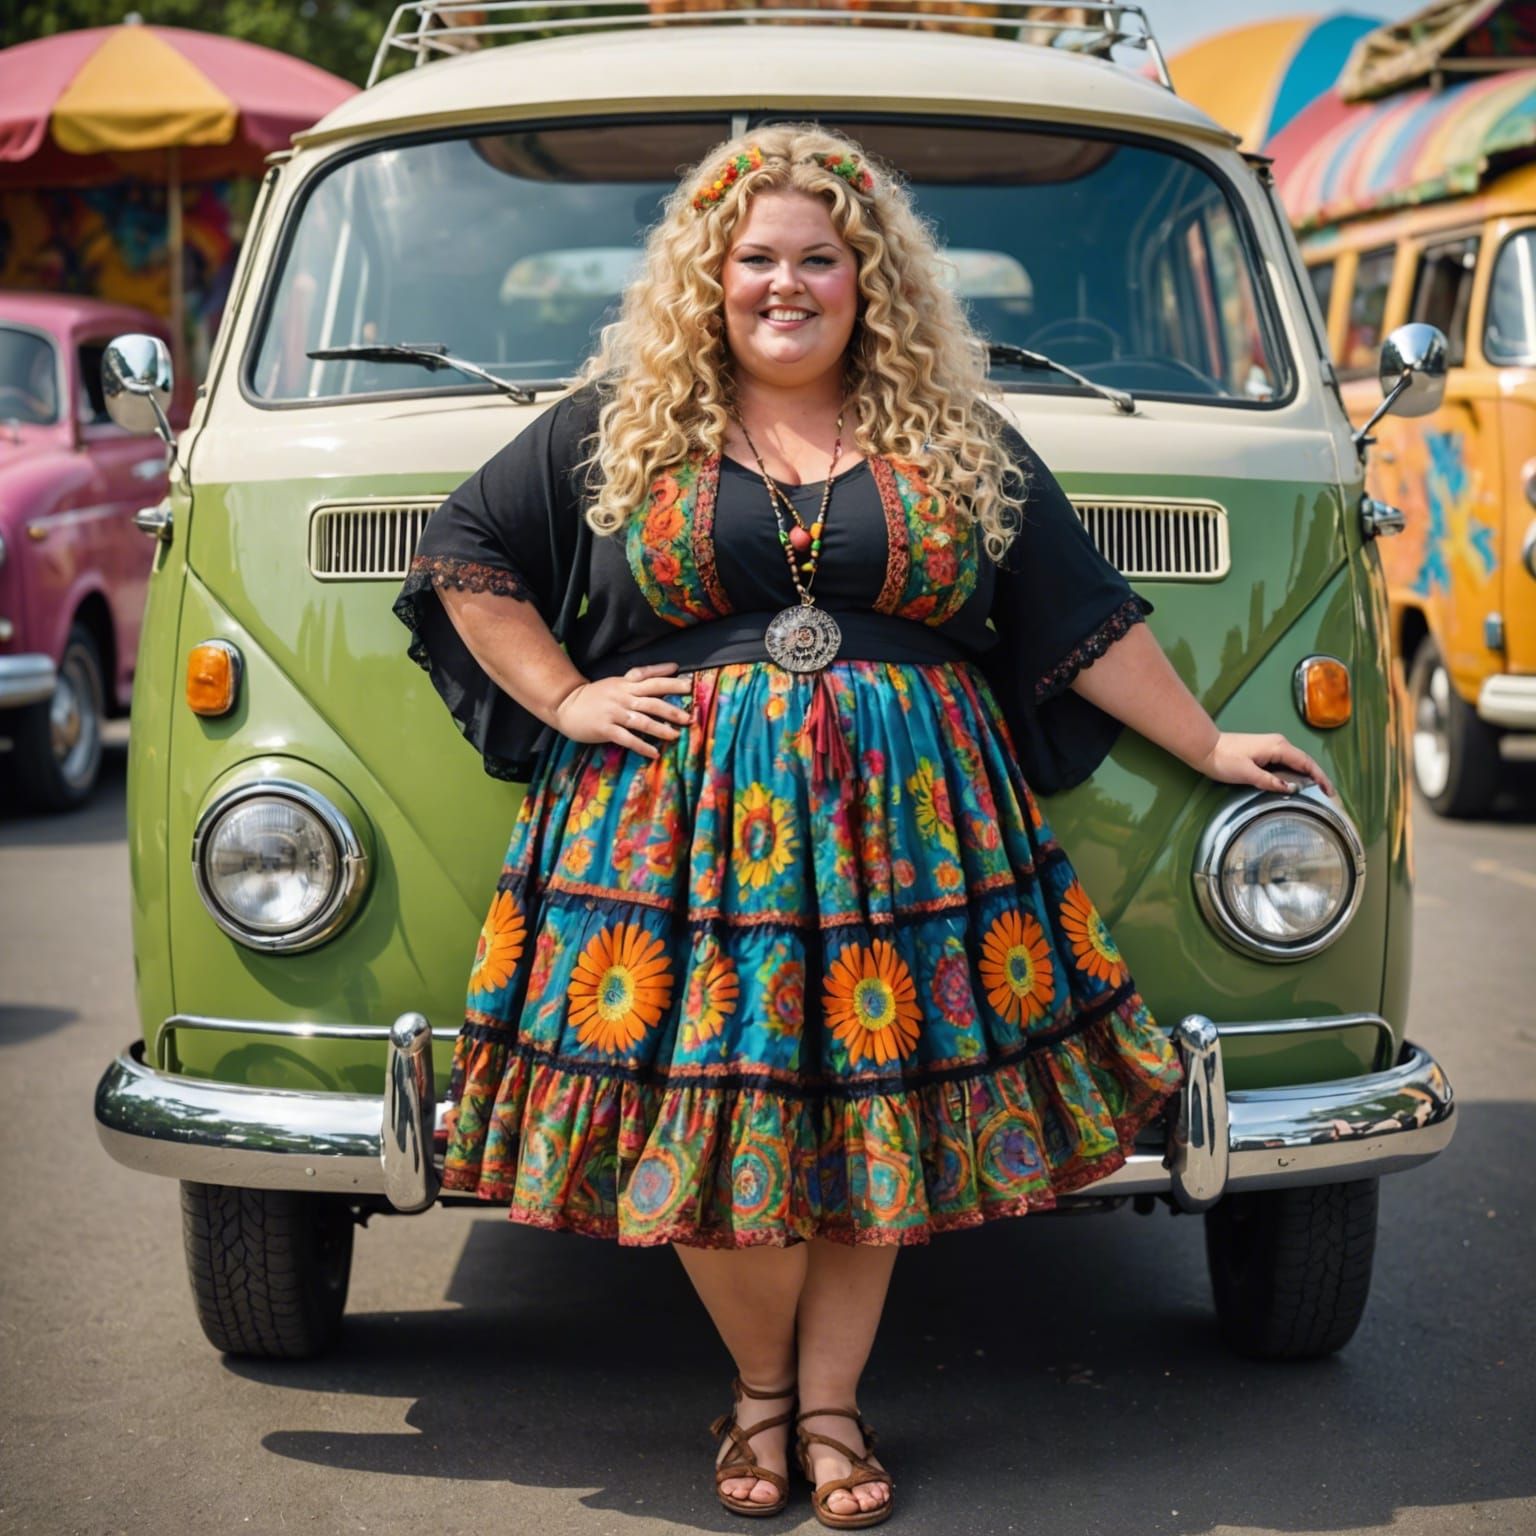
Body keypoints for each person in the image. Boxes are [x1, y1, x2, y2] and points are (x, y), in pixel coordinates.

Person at [394, 124, 1333, 1530]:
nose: (787, 285)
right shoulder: (623, 420)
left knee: (871, 1119)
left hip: (910, 830)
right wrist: (570, 697)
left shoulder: (952, 434)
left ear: (867, 278)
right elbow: (466, 554)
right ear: (709, 282)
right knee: (703, 1113)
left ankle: (825, 1408)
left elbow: (1075, 616)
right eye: (755, 260)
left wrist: (1204, 742)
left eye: (818, 259)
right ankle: (759, 1392)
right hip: (674, 841)